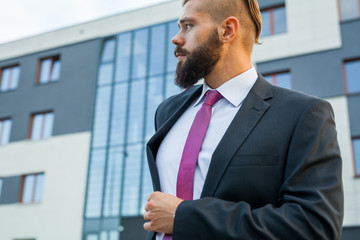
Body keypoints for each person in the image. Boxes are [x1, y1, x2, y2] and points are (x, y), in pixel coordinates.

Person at [143, 0, 344, 239]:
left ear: (227, 30)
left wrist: (182, 217)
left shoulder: (303, 115)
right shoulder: (167, 111)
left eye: (188, 26)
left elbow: (314, 226)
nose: (176, 38)